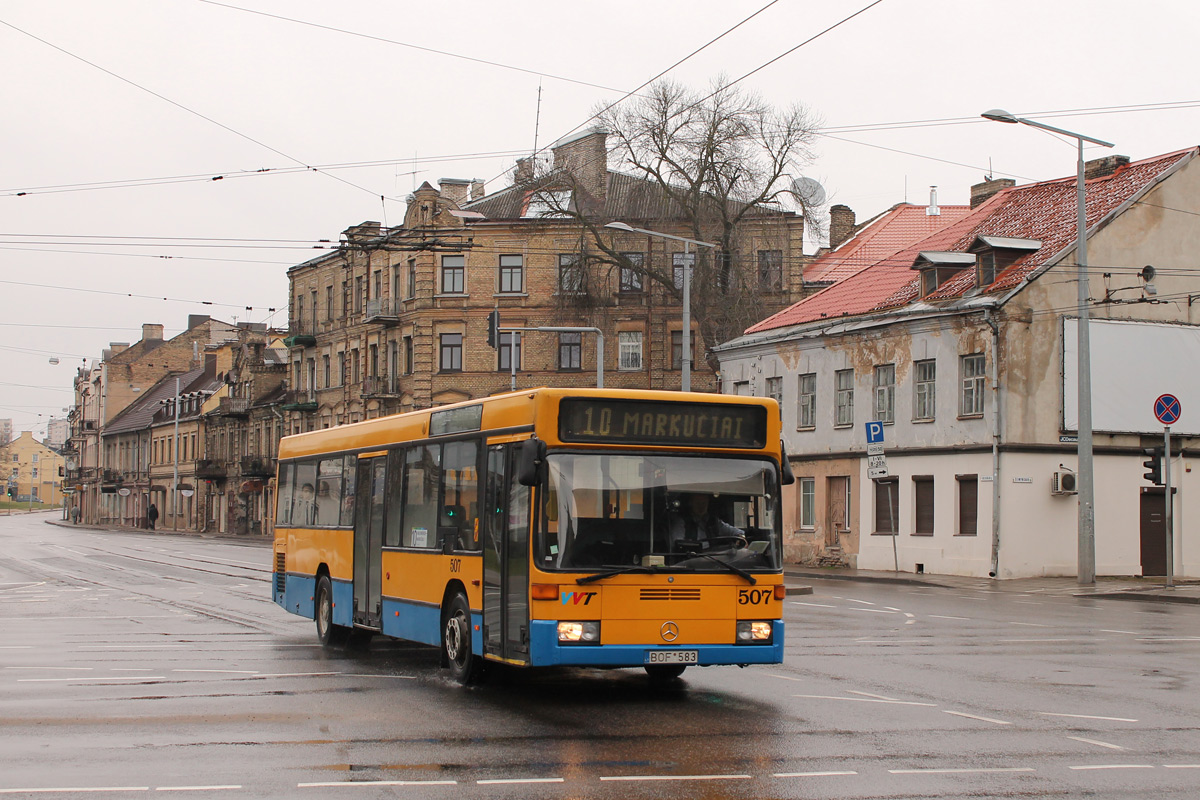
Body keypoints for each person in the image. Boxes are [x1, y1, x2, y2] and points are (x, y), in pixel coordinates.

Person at [666, 492, 744, 549]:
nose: (701, 506)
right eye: (698, 502)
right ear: (691, 503)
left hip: (714, 562)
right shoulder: (682, 522)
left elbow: (736, 532)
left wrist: (741, 536)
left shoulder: (714, 522)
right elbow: (677, 544)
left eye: (704, 503)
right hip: (691, 563)